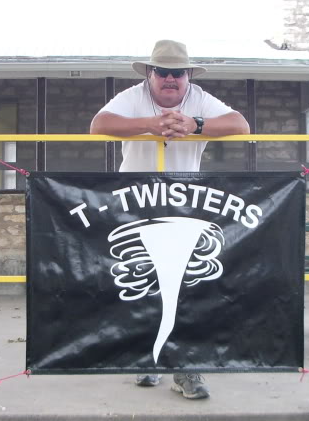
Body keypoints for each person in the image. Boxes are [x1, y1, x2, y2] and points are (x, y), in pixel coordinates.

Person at [90, 39, 250, 399]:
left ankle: (185, 368)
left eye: (178, 72)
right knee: (144, 287)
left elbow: (241, 126)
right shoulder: (133, 96)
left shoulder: (199, 97)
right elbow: (98, 126)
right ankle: (148, 358)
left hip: (184, 204)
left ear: (188, 75)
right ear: (149, 74)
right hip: (136, 203)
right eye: (162, 72)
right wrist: (151, 124)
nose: (170, 79)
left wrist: (195, 124)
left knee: (186, 288)